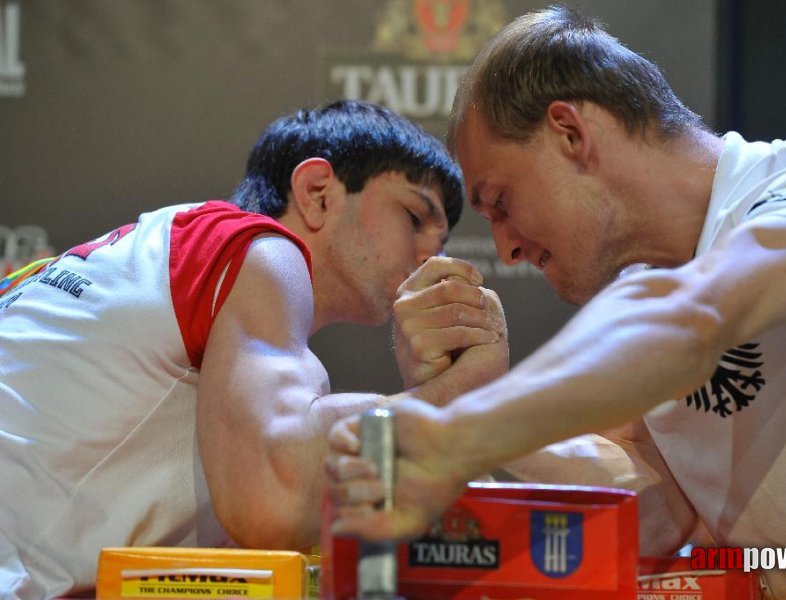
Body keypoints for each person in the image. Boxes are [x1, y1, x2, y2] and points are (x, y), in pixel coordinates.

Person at [325, 6, 786, 599]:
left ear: (570, 133)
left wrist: (456, 435)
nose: (506, 246)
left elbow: (695, 317)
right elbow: (656, 518)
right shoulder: (646, 304)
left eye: (500, 201)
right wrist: (469, 399)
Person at [0, 99, 517, 599]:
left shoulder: (156, 261)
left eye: (444, 240)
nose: (433, 253)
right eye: (414, 217)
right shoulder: (257, 250)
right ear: (317, 192)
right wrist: (465, 390)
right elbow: (275, 499)